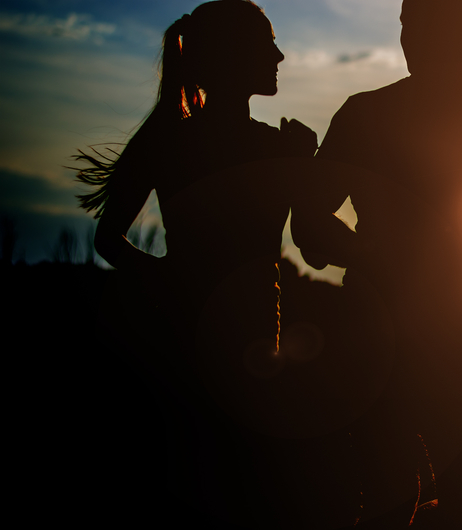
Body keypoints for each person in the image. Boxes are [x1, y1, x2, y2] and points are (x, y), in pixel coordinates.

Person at [292, 0, 462, 527]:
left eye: (418, 27)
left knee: (451, 490)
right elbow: (309, 220)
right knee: (419, 490)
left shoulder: (372, 112)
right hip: (395, 327)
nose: (408, 40)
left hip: (432, 327)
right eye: (404, 27)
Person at [74, 1, 324, 527]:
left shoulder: (182, 139)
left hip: (243, 347)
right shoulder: (224, 142)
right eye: (266, 45)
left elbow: (108, 240)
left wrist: (304, 165)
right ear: (235, 57)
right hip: (215, 350)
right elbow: (109, 238)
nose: (279, 55)